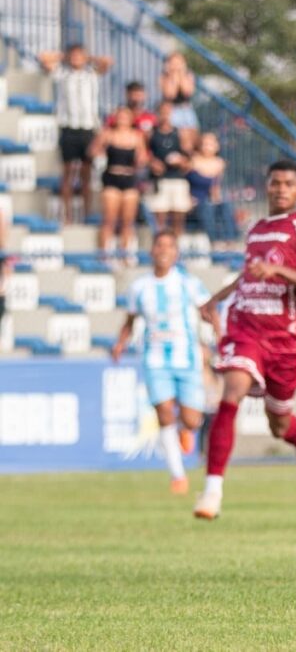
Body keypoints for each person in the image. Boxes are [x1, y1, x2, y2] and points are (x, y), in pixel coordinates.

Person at [192, 159, 296, 520]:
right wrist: (216, 299)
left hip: (287, 341)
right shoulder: (255, 230)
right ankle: (212, 491)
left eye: (289, 183)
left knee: (279, 424)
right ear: (267, 186)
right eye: (275, 183)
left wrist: (278, 270)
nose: (281, 189)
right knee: (231, 392)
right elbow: (249, 277)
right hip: (247, 330)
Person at [112, 231, 214, 494]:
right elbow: (130, 320)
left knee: (192, 420)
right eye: (160, 245)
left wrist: (220, 334)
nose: (164, 250)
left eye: (170, 246)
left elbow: (208, 310)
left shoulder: (188, 283)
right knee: (165, 413)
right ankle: (178, 476)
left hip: (187, 357)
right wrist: (120, 343)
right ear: (152, 251)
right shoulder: (139, 287)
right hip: (155, 358)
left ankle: (186, 429)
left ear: (176, 253)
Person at [38, 44, 113, 224]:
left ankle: (85, 214)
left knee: (86, 175)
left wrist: (88, 57)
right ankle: (67, 215)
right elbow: (43, 57)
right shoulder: (63, 74)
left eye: (80, 55)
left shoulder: (91, 74)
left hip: (88, 129)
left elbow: (107, 62)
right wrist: (65, 56)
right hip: (69, 128)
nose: (77, 58)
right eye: (74, 55)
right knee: (68, 173)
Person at [89, 107, 147, 256]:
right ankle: (104, 254)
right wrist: (100, 152)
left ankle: (125, 253)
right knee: (109, 219)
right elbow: (92, 151)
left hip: (129, 177)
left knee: (128, 221)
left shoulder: (137, 136)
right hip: (112, 176)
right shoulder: (107, 134)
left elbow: (143, 157)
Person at [148, 101, 191, 235]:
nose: (166, 115)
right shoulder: (151, 133)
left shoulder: (180, 133)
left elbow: (189, 157)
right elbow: (144, 154)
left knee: (178, 218)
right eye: (163, 112)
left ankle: (177, 247)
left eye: (168, 112)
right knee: (160, 217)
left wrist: (182, 161)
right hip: (160, 180)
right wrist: (152, 162)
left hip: (177, 179)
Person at [186, 132, 237, 244]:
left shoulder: (219, 163)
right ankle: (214, 242)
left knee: (225, 206)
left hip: (210, 200)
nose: (208, 147)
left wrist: (217, 199)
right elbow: (185, 183)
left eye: (211, 143)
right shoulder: (192, 161)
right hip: (195, 201)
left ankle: (230, 240)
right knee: (206, 208)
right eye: (205, 143)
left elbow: (216, 187)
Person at [160, 53, 199, 153]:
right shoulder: (164, 76)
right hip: (172, 110)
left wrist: (181, 75)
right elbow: (170, 94)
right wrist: (173, 76)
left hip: (186, 109)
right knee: (178, 136)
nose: (176, 64)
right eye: (173, 62)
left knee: (193, 135)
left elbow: (187, 92)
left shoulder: (189, 75)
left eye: (179, 62)